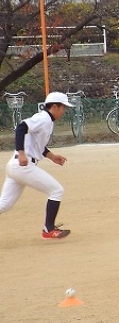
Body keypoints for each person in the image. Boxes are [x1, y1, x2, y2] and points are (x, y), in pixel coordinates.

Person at [0, 92, 74, 239]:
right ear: (54, 106)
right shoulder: (43, 118)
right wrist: (21, 152)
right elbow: (21, 128)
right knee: (56, 190)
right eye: (63, 107)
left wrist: (52, 157)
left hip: (16, 166)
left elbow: (36, 145)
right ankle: (48, 229)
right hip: (23, 166)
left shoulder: (47, 121)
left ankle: (49, 229)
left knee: (4, 205)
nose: (63, 111)